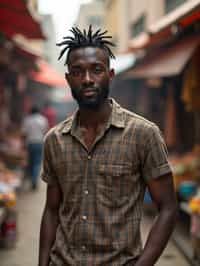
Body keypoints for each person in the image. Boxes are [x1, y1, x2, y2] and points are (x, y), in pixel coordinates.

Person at [39, 26, 178, 266]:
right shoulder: (54, 140)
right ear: (68, 78)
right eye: (78, 71)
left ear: (110, 75)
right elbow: (51, 210)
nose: (88, 79)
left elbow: (167, 208)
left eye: (96, 70)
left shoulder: (143, 134)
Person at [22, 106, 48, 189]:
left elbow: (24, 133)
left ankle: (31, 180)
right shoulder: (43, 119)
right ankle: (34, 181)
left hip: (30, 143)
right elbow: (46, 132)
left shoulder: (27, 120)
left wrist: (23, 144)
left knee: (31, 162)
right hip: (40, 143)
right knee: (37, 163)